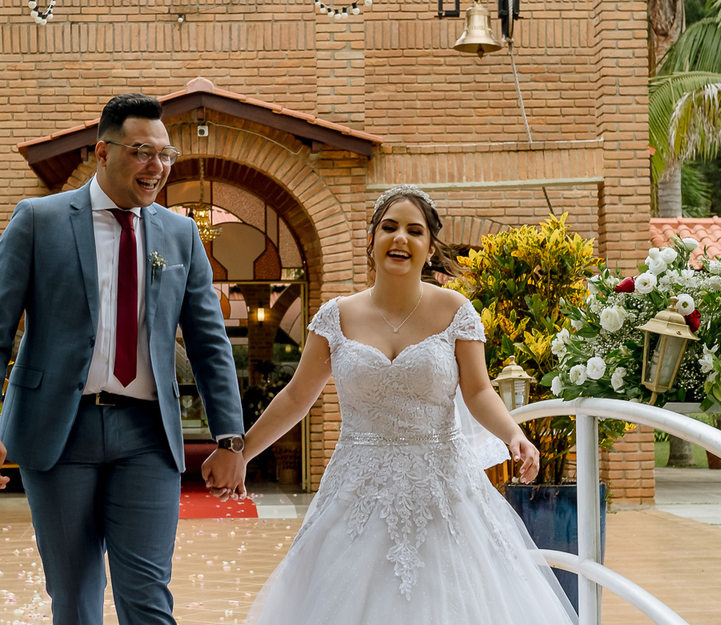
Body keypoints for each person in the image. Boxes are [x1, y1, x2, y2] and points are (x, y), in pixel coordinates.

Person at [208, 184, 576, 624]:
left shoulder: (456, 310)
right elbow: (296, 396)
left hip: (443, 489)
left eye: (414, 231)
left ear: (428, 247)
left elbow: (477, 392)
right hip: (358, 489)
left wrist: (514, 434)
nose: (400, 238)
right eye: (389, 227)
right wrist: (242, 451)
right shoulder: (336, 316)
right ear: (372, 240)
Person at [0, 92, 246, 625]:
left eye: (165, 155)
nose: (156, 167)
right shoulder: (38, 221)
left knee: (147, 597)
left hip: (146, 436)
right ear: (102, 152)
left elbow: (209, 343)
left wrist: (230, 438)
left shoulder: (181, 235)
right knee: (74, 598)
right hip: (59, 432)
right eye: (142, 152)